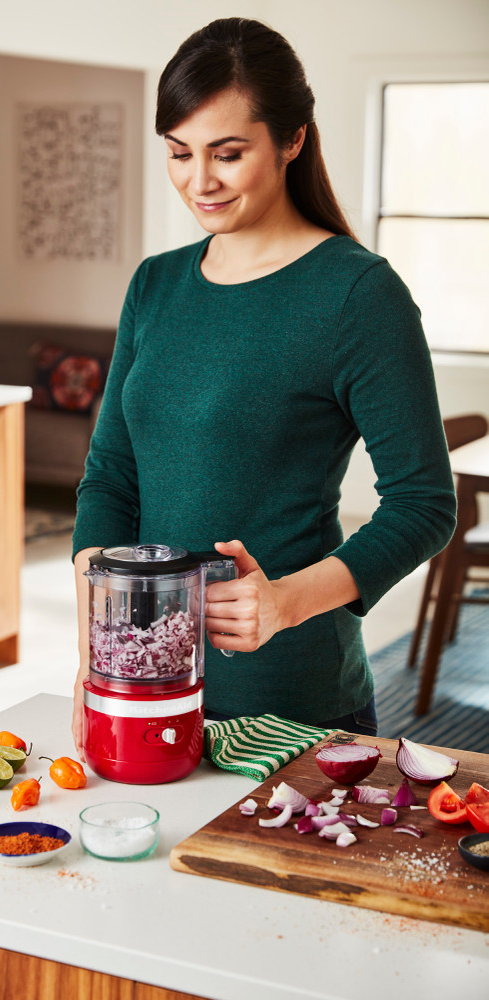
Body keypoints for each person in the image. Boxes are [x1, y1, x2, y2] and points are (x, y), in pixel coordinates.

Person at [71, 17, 456, 757]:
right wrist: (102, 618)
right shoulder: (154, 285)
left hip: (289, 700)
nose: (198, 180)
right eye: (180, 153)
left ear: (292, 140)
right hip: (137, 689)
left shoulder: (357, 295)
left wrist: (283, 602)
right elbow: (111, 475)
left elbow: (424, 504)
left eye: (228, 153)